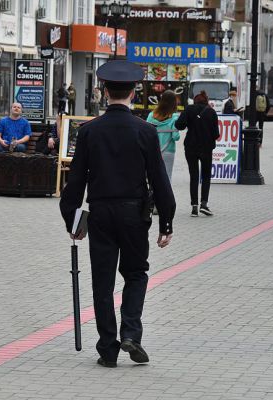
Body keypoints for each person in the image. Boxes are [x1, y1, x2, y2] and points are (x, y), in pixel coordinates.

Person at [60, 60, 175, 368]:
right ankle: (132, 333)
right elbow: (159, 179)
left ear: (104, 91)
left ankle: (107, 348)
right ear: (134, 91)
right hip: (135, 214)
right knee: (136, 273)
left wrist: (73, 219)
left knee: (102, 280)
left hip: (100, 213)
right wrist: (166, 220)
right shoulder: (145, 131)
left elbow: (76, 181)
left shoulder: (88, 131)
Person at [175, 90, 220, 217]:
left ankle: (194, 207)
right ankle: (204, 204)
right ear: (206, 101)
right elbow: (216, 134)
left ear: (195, 101)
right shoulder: (211, 112)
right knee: (206, 176)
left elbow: (179, 125)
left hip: (190, 147)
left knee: (193, 176)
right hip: (206, 148)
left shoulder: (189, 109)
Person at [146, 90, 181, 184]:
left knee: (153, 176)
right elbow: (175, 137)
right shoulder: (174, 117)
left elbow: (147, 134)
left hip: (154, 150)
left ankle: (153, 197)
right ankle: (166, 198)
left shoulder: (151, 115)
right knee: (167, 176)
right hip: (168, 151)